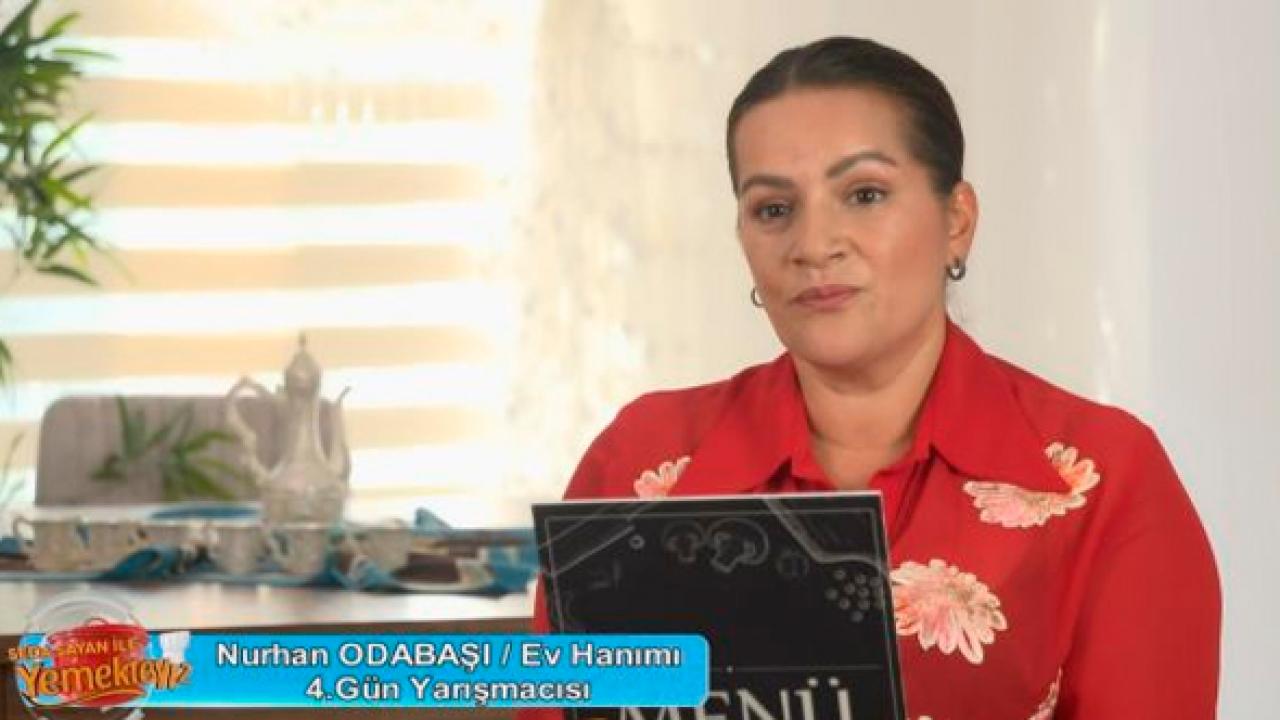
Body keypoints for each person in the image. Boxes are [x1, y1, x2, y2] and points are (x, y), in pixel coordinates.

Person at [520, 36, 1220, 719]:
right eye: (773, 209)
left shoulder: (1104, 479)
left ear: (957, 221)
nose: (813, 245)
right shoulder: (642, 459)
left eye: (864, 194)